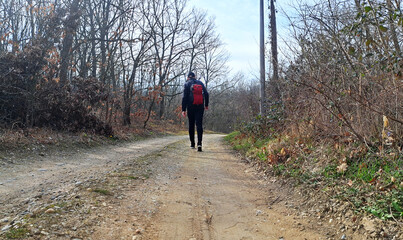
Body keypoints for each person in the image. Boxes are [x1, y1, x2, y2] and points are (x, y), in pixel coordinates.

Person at [182, 72, 209, 152]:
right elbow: (206, 94)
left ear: (188, 77)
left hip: (190, 106)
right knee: (199, 124)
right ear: (195, 77)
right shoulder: (200, 83)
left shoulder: (187, 84)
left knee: (191, 124)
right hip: (200, 106)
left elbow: (184, 97)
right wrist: (206, 104)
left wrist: (183, 109)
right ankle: (199, 143)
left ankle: (192, 143)